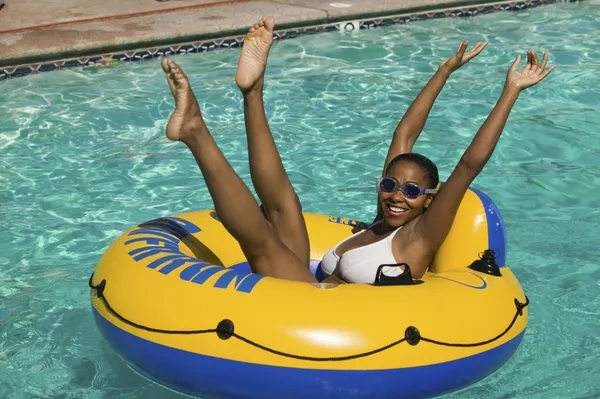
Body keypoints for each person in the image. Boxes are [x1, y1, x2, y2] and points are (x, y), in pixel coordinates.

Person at [160, 16, 554, 285]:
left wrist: (510, 92)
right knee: (284, 205)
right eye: (390, 184)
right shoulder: (378, 223)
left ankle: (196, 131)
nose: (397, 196)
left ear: (429, 200)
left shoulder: (419, 237)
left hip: (322, 317)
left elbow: (469, 165)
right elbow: (405, 134)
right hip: (309, 287)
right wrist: (443, 73)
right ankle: (253, 90)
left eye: (412, 191)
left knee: (261, 242)